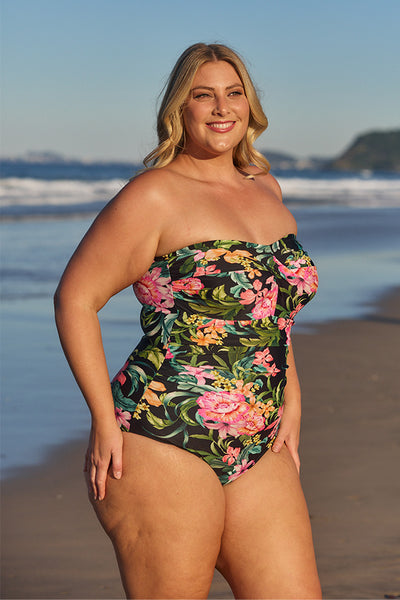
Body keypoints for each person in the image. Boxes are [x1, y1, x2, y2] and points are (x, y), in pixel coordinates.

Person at [54, 42, 321, 599]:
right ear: (180, 108)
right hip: (161, 434)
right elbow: (75, 298)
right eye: (204, 96)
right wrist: (105, 420)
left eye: (234, 93)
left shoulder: (266, 189)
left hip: (260, 437)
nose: (221, 108)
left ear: (250, 105)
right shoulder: (153, 195)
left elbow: (270, 313)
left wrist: (293, 397)